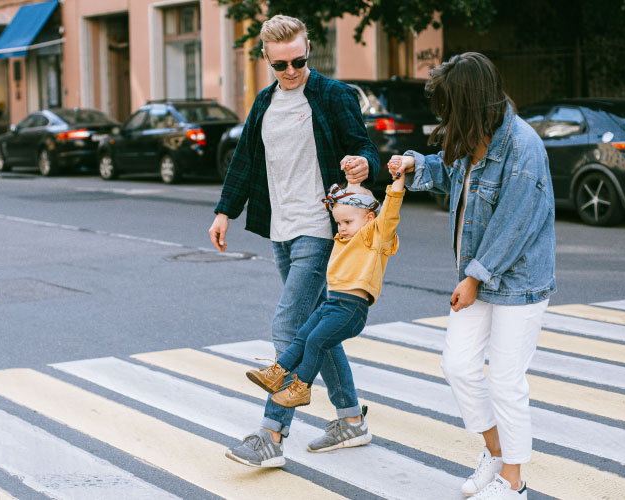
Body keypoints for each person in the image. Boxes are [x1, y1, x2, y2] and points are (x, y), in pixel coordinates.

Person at [208, 14, 383, 468]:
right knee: (317, 330)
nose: (291, 71)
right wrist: (225, 211)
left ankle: (271, 435)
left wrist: (363, 165)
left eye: (299, 61)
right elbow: (246, 160)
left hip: (320, 226)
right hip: (281, 229)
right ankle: (351, 420)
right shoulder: (265, 102)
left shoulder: (332, 95)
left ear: (309, 52)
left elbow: (364, 148)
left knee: (288, 329)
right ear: (265, 56)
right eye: (281, 64)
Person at [387, 52, 556, 500]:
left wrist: (475, 278)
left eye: (448, 106)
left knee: (504, 380)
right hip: (476, 277)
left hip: (517, 283)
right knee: (458, 366)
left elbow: (515, 224)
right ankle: (496, 454)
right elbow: (448, 173)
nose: (443, 116)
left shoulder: (522, 147)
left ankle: (515, 483)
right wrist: (412, 165)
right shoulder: (470, 135)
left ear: (468, 101)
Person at [247, 175, 404, 411]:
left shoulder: (375, 238)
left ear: (370, 219)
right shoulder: (343, 238)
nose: (341, 228)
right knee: (303, 336)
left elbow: (390, 212)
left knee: (315, 342)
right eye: (338, 223)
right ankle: (276, 373)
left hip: (351, 310)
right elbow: (351, 206)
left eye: (347, 223)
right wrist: (350, 186)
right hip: (332, 305)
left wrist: (398, 181)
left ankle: (301, 388)